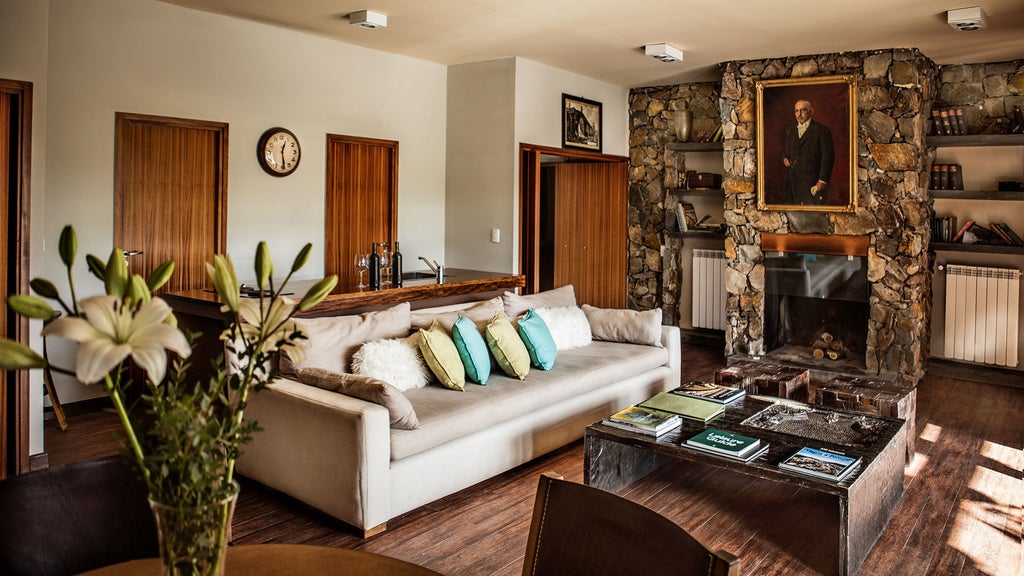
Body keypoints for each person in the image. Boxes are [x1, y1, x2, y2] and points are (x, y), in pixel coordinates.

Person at [783, 99, 834, 205]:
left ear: (811, 112)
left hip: (813, 184)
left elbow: (828, 157)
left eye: (803, 110)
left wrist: (822, 181)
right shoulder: (790, 131)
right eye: (797, 111)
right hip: (793, 183)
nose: (799, 114)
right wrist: (784, 158)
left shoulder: (822, 131)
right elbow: (786, 151)